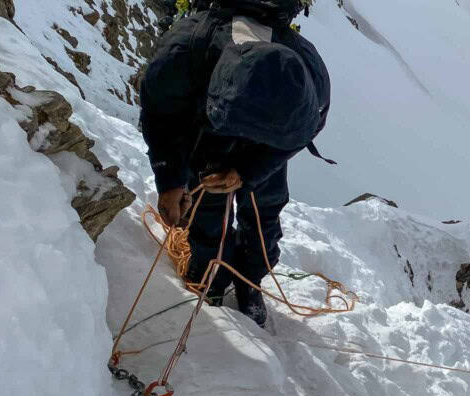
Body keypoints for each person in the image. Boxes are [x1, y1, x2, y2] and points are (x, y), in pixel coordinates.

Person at [139, 0, 329, 328]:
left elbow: (298, 134)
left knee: (262, 212)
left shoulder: (310, 78)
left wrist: (248, 170)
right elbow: (161, 115)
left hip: (265, 143)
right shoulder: (185, 52)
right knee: (207, 208)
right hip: (209, 134)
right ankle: (209, 274)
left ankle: (248, 280)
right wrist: (170, 180)